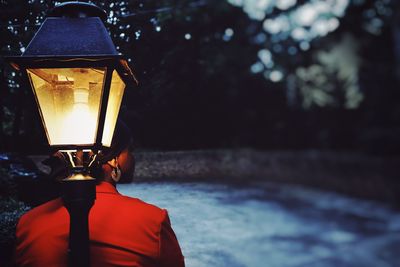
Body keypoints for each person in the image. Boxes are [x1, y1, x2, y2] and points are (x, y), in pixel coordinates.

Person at [14, 122, 185, 267]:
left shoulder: (29, 223)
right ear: (113, 160)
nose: (132, 157)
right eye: (129, 149)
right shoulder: (153, 220)